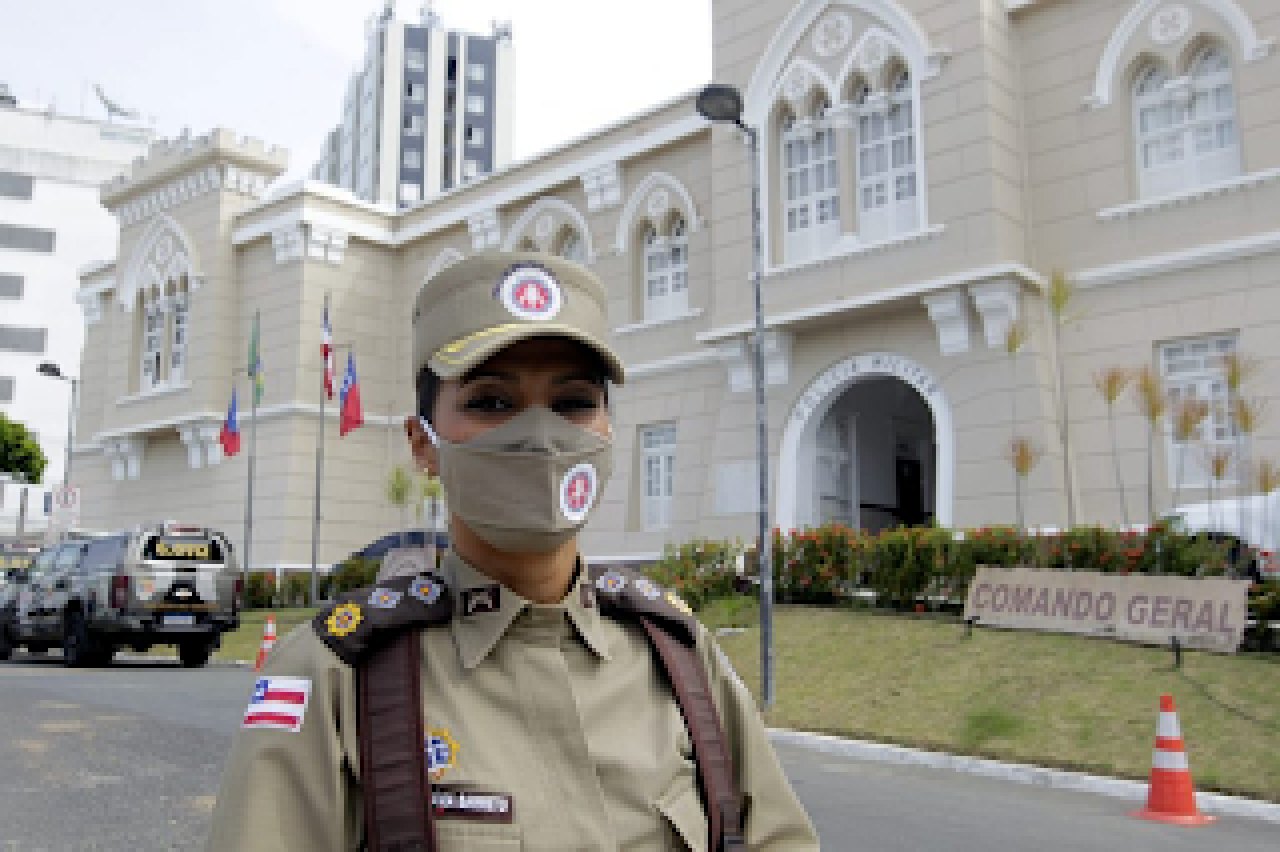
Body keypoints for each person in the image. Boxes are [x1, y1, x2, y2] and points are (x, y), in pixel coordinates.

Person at [207, 251, 820, 851]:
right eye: (492, 402)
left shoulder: (681, 661)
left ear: (608, 430)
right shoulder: (337, 674)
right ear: (423, 445)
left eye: (574, 401)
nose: (540, 435)